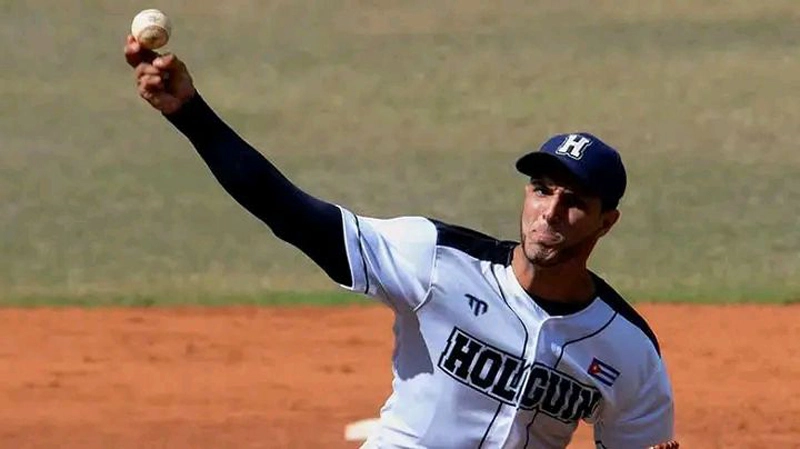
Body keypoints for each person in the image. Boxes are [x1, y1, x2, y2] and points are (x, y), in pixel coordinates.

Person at [124, 35, 678, 449]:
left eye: (574, 201)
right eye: (541, 190)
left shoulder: (628, 351)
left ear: (607, 222)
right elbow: (291, 214)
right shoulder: (436, 260)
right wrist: (190, 115)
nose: (549, 212)